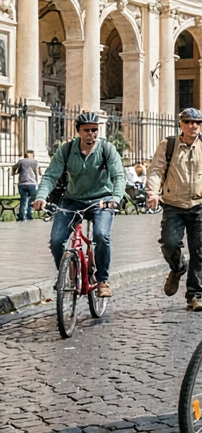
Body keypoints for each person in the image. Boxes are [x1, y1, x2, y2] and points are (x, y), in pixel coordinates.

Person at [33, 112, 126, 298]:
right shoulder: (66, 150)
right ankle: (68, 273)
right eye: (86, 130)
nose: (91, 133)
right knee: (57, 240)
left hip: (102, 200)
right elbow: (51, 175)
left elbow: (118, 176)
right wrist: (41, 196)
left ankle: (102, 280)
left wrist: (115, 198)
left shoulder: (107, 149)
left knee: (101, 235)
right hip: (72, 200)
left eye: (94, 130)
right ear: (78, 131)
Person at [146, 108, 202, 311]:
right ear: (181, 124)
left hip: (200, 204)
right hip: (173, 204)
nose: (193, 126)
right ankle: (177, 267)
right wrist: (153, 192)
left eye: (197, 123)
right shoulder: (169, 145)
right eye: (189, 122)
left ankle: (194, 296)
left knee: (199, 252)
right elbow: (156, 170)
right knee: (169, 243)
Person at [13, 150, 40, 221]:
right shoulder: (35, 162)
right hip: (32, 183)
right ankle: (29, 215)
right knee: (31, 200)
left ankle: (21, 216)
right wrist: (37, 182)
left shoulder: (20, 161)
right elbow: (37, 173)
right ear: (32, 155)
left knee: (23, 200)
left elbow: (13, 168)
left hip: (22, 183)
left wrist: (14, 173)